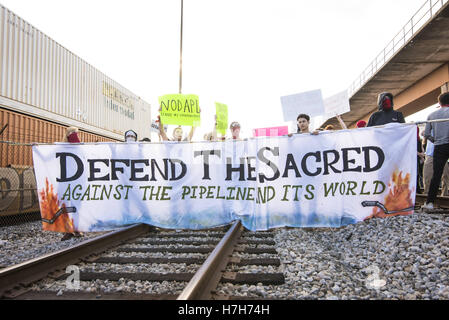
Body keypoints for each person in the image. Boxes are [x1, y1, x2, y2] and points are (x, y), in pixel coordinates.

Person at [422, 92, 449, 210]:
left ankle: (430, 203)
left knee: (436, 175)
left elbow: (427, 134)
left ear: (439, 102)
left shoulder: (432, 115)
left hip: (439, 146)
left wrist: (436, 139)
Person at [61, 127, 83, 241]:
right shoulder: (62, 147)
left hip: (77, 181)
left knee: (76, 205)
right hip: (66, 181)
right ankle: (68, 230)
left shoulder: (79, 147)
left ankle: (76, 228)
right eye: (73, 132)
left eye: (76, 132)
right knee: (67, 206)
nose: (75, 134)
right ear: (68, 134)